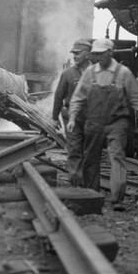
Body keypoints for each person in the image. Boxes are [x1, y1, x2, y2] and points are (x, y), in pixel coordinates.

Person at [67, 38, 138, 208]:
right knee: (91, 160)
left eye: (101, 54)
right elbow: (78, 98)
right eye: (96, 54)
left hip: (117, 123)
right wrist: (72, 117)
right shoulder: (90, 73)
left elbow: (136, 98)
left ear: (110, 53)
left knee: (117, 158)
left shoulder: (123, 73)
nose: (98, 57)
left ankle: (117, 199)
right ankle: (93, 195)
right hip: (94, 122)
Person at [51, 38, 92, 186]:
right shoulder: (68, 74)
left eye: (78, 53)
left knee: (90, 152)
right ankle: (75, 186)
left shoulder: (97, 72)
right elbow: (58, 96)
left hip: (92, 119)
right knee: (75, 151)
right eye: (73, 53)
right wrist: (54, 118)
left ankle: (89, 185)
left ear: (87, 54)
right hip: (72, 119)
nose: (74, 56)